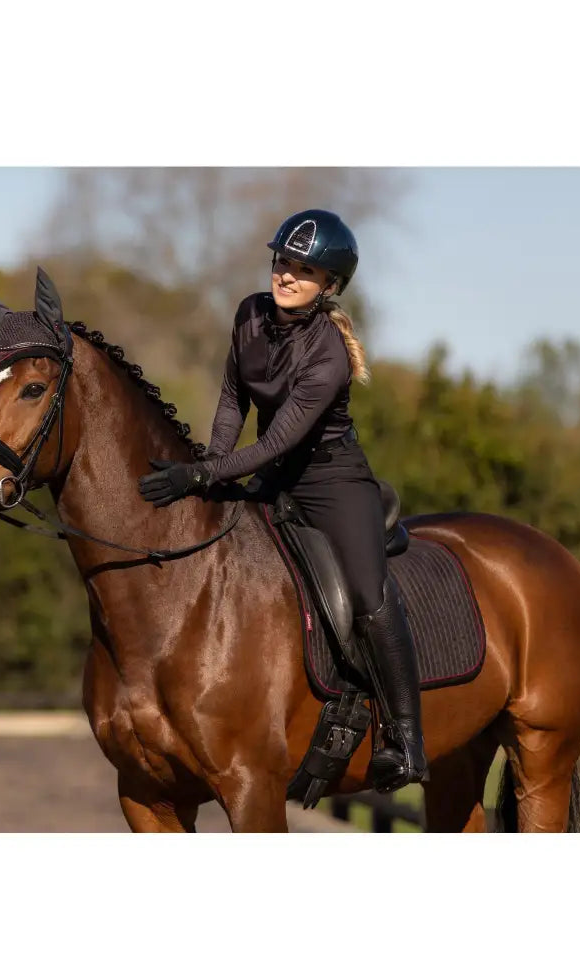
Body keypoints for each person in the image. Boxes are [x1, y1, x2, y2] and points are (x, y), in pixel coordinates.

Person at [137, 209, 427, 792]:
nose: (287, 276)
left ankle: (405, 737)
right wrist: (212, 473)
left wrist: (197, 475)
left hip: (331, 481)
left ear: (330, 286)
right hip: (271, 474)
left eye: (304, 270)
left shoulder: (329, 356)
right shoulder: (249, 313)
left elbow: (276, 440)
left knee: (369, 595)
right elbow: (231, 402)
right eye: (283, 262)